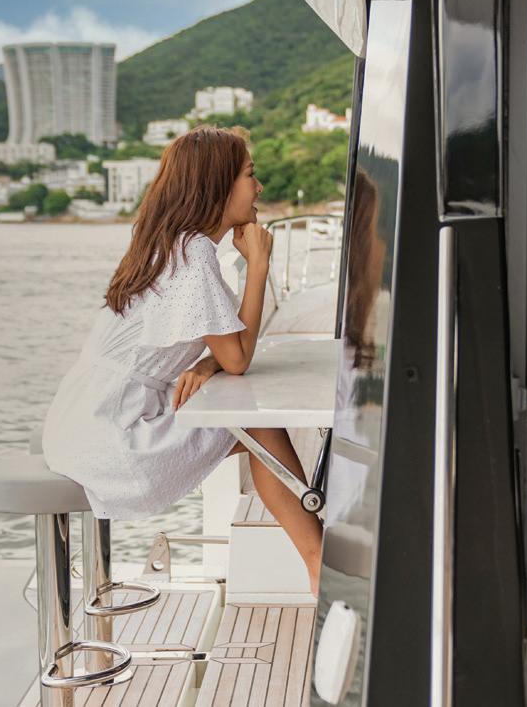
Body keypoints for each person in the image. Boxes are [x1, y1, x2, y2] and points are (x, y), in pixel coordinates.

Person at [42, 126, 322, 594]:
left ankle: (319, 559)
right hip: (115, 436)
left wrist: (208, 363)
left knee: (258, 431)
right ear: (218, 185)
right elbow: (239, 357)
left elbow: (226, 350)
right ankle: (319, 564)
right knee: (260, 427)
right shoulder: (192, 256)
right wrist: (258, 265)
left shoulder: (175, 244)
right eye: (250, 175)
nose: (259, 187)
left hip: (83, 420)